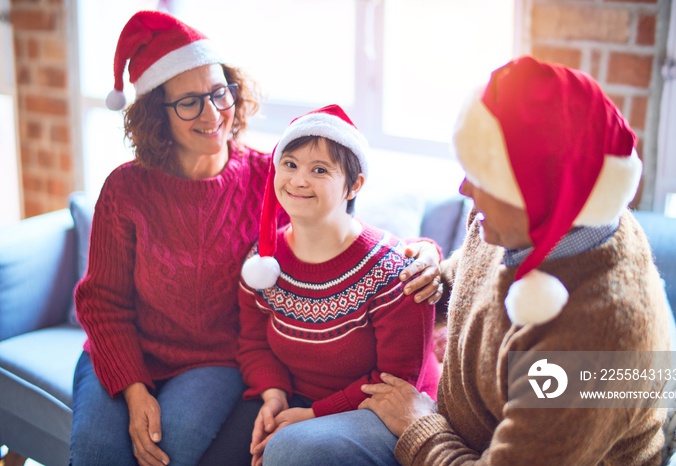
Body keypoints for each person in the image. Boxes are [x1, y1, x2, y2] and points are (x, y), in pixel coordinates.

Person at [70, 10, 442, 466]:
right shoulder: (125, 188)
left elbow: (347, 229)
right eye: (189, 102)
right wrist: (134, 391)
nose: (212, 113)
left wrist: (425, 252)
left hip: (214, 360)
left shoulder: (274, 176)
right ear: (155, 115)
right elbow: (101, 303)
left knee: (170, 449)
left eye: (218, 92)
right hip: (127, 350)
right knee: (97, 454)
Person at [266, 56, 673, 465]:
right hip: (450, 429)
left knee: (294, 449)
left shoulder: (598, 338)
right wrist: (431, 275)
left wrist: (417, 426)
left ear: (536, 193)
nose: (464, 189)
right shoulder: (520, 222)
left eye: (481, 178)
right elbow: (470, 280)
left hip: (463, 447)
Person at [235, 105, 441, 466]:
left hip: (384, 411)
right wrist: (273, 395)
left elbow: (393, 385)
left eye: (319, 170)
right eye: (290, 164)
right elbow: (253, 342)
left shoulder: (395, 272)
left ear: (354, 185)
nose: (299, 180)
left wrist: (314, 414)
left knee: (290, 451)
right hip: (295, 400)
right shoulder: (263, 262)